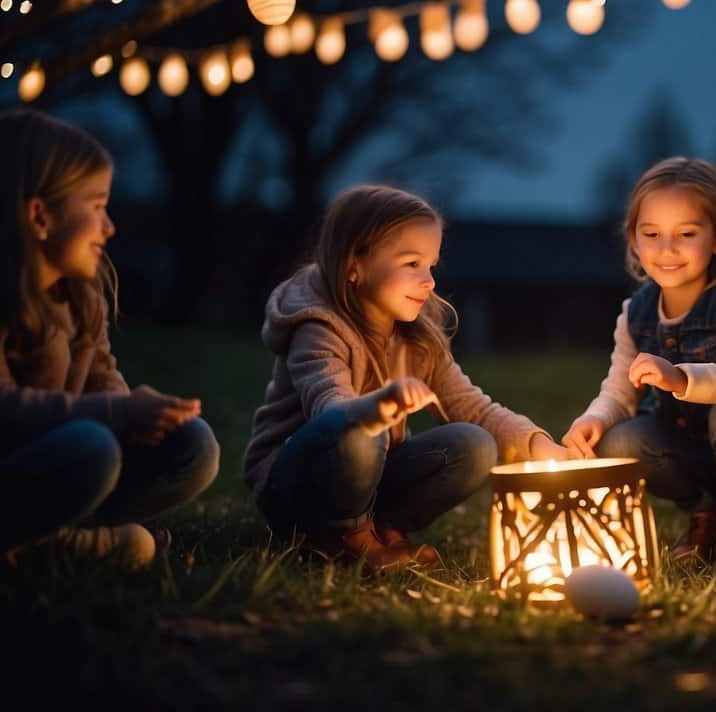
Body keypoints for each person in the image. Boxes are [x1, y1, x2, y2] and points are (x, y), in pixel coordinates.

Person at [244, 185, 570, 571]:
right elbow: (328, 404)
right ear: (355, 266)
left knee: (474, 442)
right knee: (362, 427)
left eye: (431, 265)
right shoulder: (319, 328)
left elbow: (474, 409)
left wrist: (541, 447)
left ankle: (382, 530)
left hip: (370, 479)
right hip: (298, 487)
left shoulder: (416, 338)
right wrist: (378, 407)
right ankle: (351, 540)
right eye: (411, 263)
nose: (429, 281)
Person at [1, 109, 219, 569]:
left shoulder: (80, 296)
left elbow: (101, 376)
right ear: (40, 216)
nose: (110, 227)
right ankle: (56, 546)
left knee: (194, 445)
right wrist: (116, 415)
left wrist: (138, 420)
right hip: (27, 466)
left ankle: (49, 536)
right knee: (90, 449)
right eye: (97, 206)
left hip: (55, 464)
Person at [563, 158, 716, 571]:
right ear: (633, 239)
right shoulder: (636, 312)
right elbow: (619, 388)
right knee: (617, 442)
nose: (666, 249)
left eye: (686, 234)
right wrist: (595, 418)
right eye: (651, 234)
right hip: (686, 446)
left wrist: (679, 378)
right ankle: (705, 514)